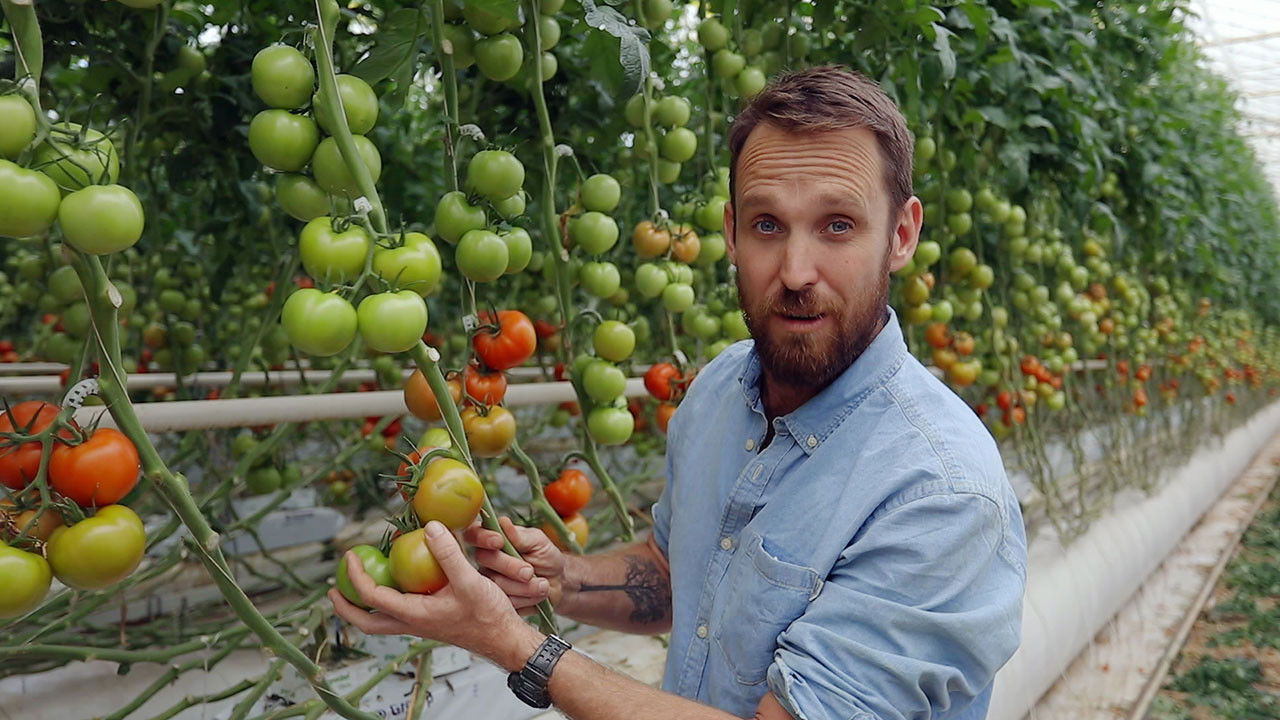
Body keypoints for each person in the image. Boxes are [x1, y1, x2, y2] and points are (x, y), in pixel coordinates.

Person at [331, 65, 1028, 720]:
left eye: (837, 226)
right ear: (729, 232)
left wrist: (513, 643)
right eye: (766, 225)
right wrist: (559, 580)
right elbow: (679, 572)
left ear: (902, 235)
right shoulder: (720, 390)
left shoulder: (940, 492)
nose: (795, 270)